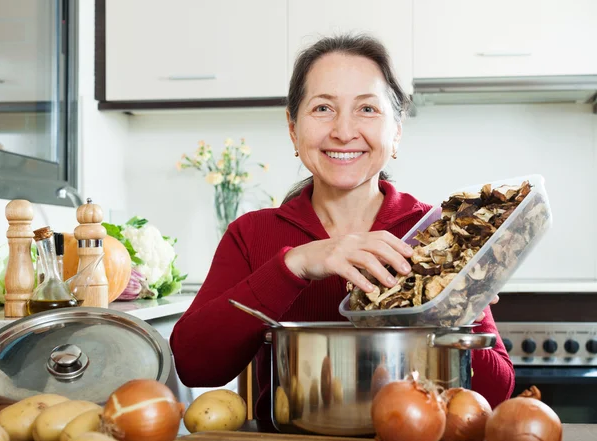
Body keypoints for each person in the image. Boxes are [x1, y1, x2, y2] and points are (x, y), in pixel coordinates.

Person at [170, 34, 514, 420]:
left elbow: (495, 392)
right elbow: (194, 365)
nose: (344, 131)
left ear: (396, 130)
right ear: (292, 127)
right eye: (323, 108)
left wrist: (457, 311)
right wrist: (293, 266)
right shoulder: (251, 235)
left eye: (367, 109)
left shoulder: (442, 232)